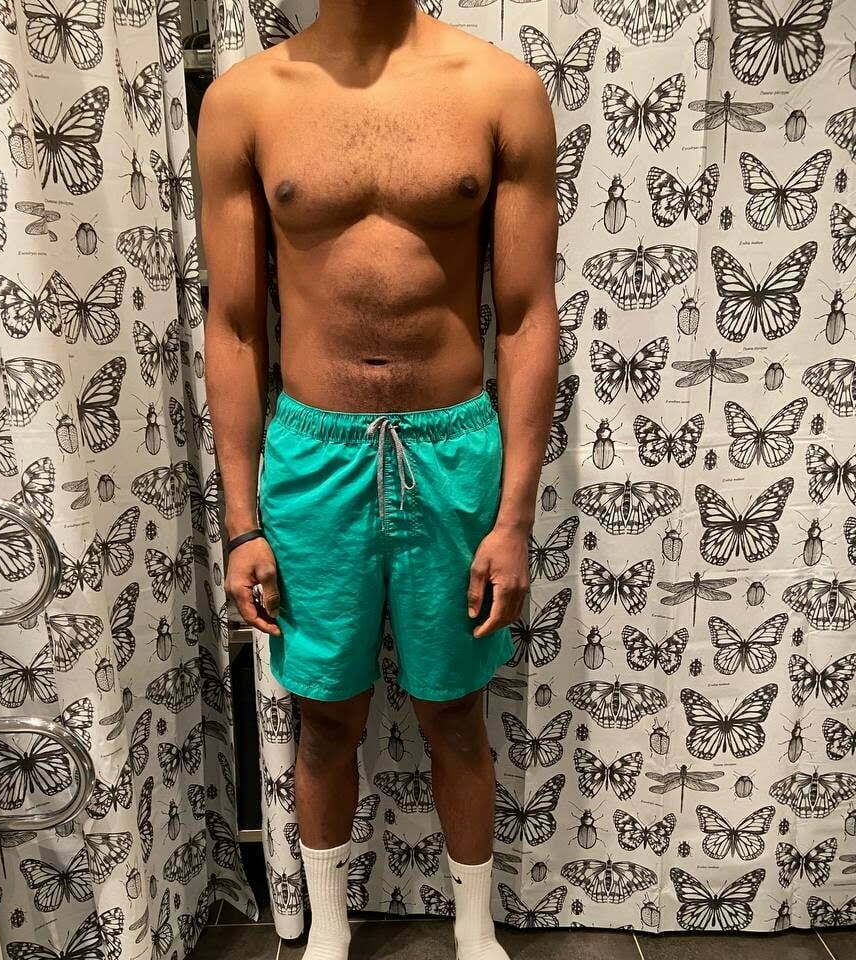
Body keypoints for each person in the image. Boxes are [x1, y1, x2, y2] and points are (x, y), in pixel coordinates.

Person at [199, 2, 558, 958]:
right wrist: (240, 524)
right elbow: (234, 326)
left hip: (453, 450)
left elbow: (527, 315)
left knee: (456, 711)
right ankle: (328, 930)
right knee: (325, 716)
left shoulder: (499, 89)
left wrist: (514, 519)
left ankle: (476, 932)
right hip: (313, 457)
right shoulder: (245, 100)